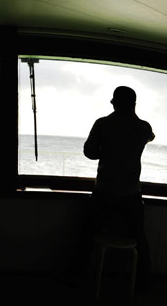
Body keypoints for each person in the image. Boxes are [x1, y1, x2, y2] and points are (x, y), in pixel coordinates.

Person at [66, 86, 155, 287]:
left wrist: (107, 152)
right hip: (132, 193)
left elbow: (89, 152)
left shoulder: (103, 124)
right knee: (139, 236)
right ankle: (144, 281)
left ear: (114, 102)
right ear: (134, 104)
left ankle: (75, 275)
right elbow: (151, 136)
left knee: (87, 235)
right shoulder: (143, 128)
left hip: (104, 191)